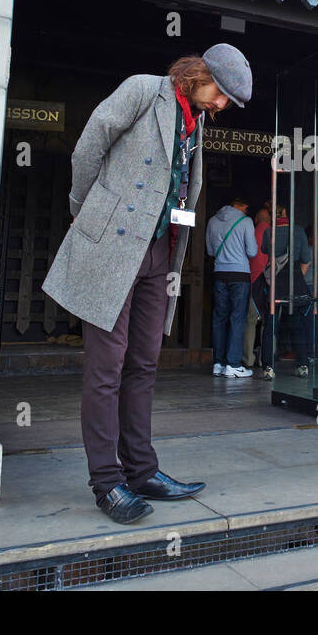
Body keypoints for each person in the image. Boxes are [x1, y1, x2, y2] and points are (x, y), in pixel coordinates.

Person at [43, 44, 253, 523]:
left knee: (143, 363)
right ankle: (107, 482)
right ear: (199, 74)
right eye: (221, 93)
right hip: (113, 247)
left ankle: (141, 470)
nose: (221, 105)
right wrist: (86, 211)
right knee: (106, 367)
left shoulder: (194, 121)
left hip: (160, 252)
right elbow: (88, 146)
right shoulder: (142, 90)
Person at [255, 204, 312, 380]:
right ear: (286, 213)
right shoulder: (299, 231)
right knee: (297, 324)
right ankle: (302, 364)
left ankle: (268, 367)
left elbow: (265, 250)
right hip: (294, 282)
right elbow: (306, 259)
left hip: (275, 284)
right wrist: (295, 277)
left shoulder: (268, 232)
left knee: (271, 325)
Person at [206, 195, 257, 378]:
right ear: (241, 205)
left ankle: (218, 363)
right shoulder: (246, 221)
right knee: (237, 318)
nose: (246, 211)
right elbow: (252, 251)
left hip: (219, 273)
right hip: (239, 275)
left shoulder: (212, 220)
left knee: (219, 318)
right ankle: (233, 364)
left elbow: (210, 251)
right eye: (246, 207)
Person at [243, 206, 272, 369]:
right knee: (269, 323)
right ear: (269, 220)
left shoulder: (252, 231)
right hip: (269, 283)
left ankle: (248, 359)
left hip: (252, 281)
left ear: (256, 219)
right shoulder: (273, 233)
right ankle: (266, 360)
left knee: (250, 322)